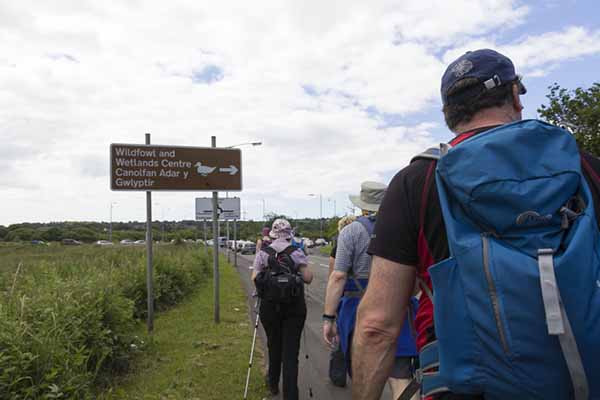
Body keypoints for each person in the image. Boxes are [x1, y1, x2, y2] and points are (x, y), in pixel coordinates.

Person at [352, 49, 600, 400]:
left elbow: (377, 325)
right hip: (583, 380)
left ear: (449, 115)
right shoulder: (583, 169)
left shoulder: (418, 181)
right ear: (515, 96)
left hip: (463, 386)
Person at [323, 182, 418, 399]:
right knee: (401, 377)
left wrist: (328, 317)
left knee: (364, 377)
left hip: (358, 309)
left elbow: (338, 276)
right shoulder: (405, 229)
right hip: (399, 307)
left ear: (363, 206)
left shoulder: (351, 231)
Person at [252, 218, 313, 399]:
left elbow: (254, 278)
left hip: (269, 307)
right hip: (294, 308)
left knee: (274, 345)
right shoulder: (296, 251)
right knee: (290, 352)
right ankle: (291, 394)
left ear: (272, 233)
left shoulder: (263, 253)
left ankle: (272, 384)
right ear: (289, 235)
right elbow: (308, 278)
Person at [327, 215, 357, 387]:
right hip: (365, 294)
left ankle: (338, 375)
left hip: (346, 297)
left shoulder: (339, 246)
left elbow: (334, 276)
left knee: (340, 336)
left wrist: (330, 309)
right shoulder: (366, 239)